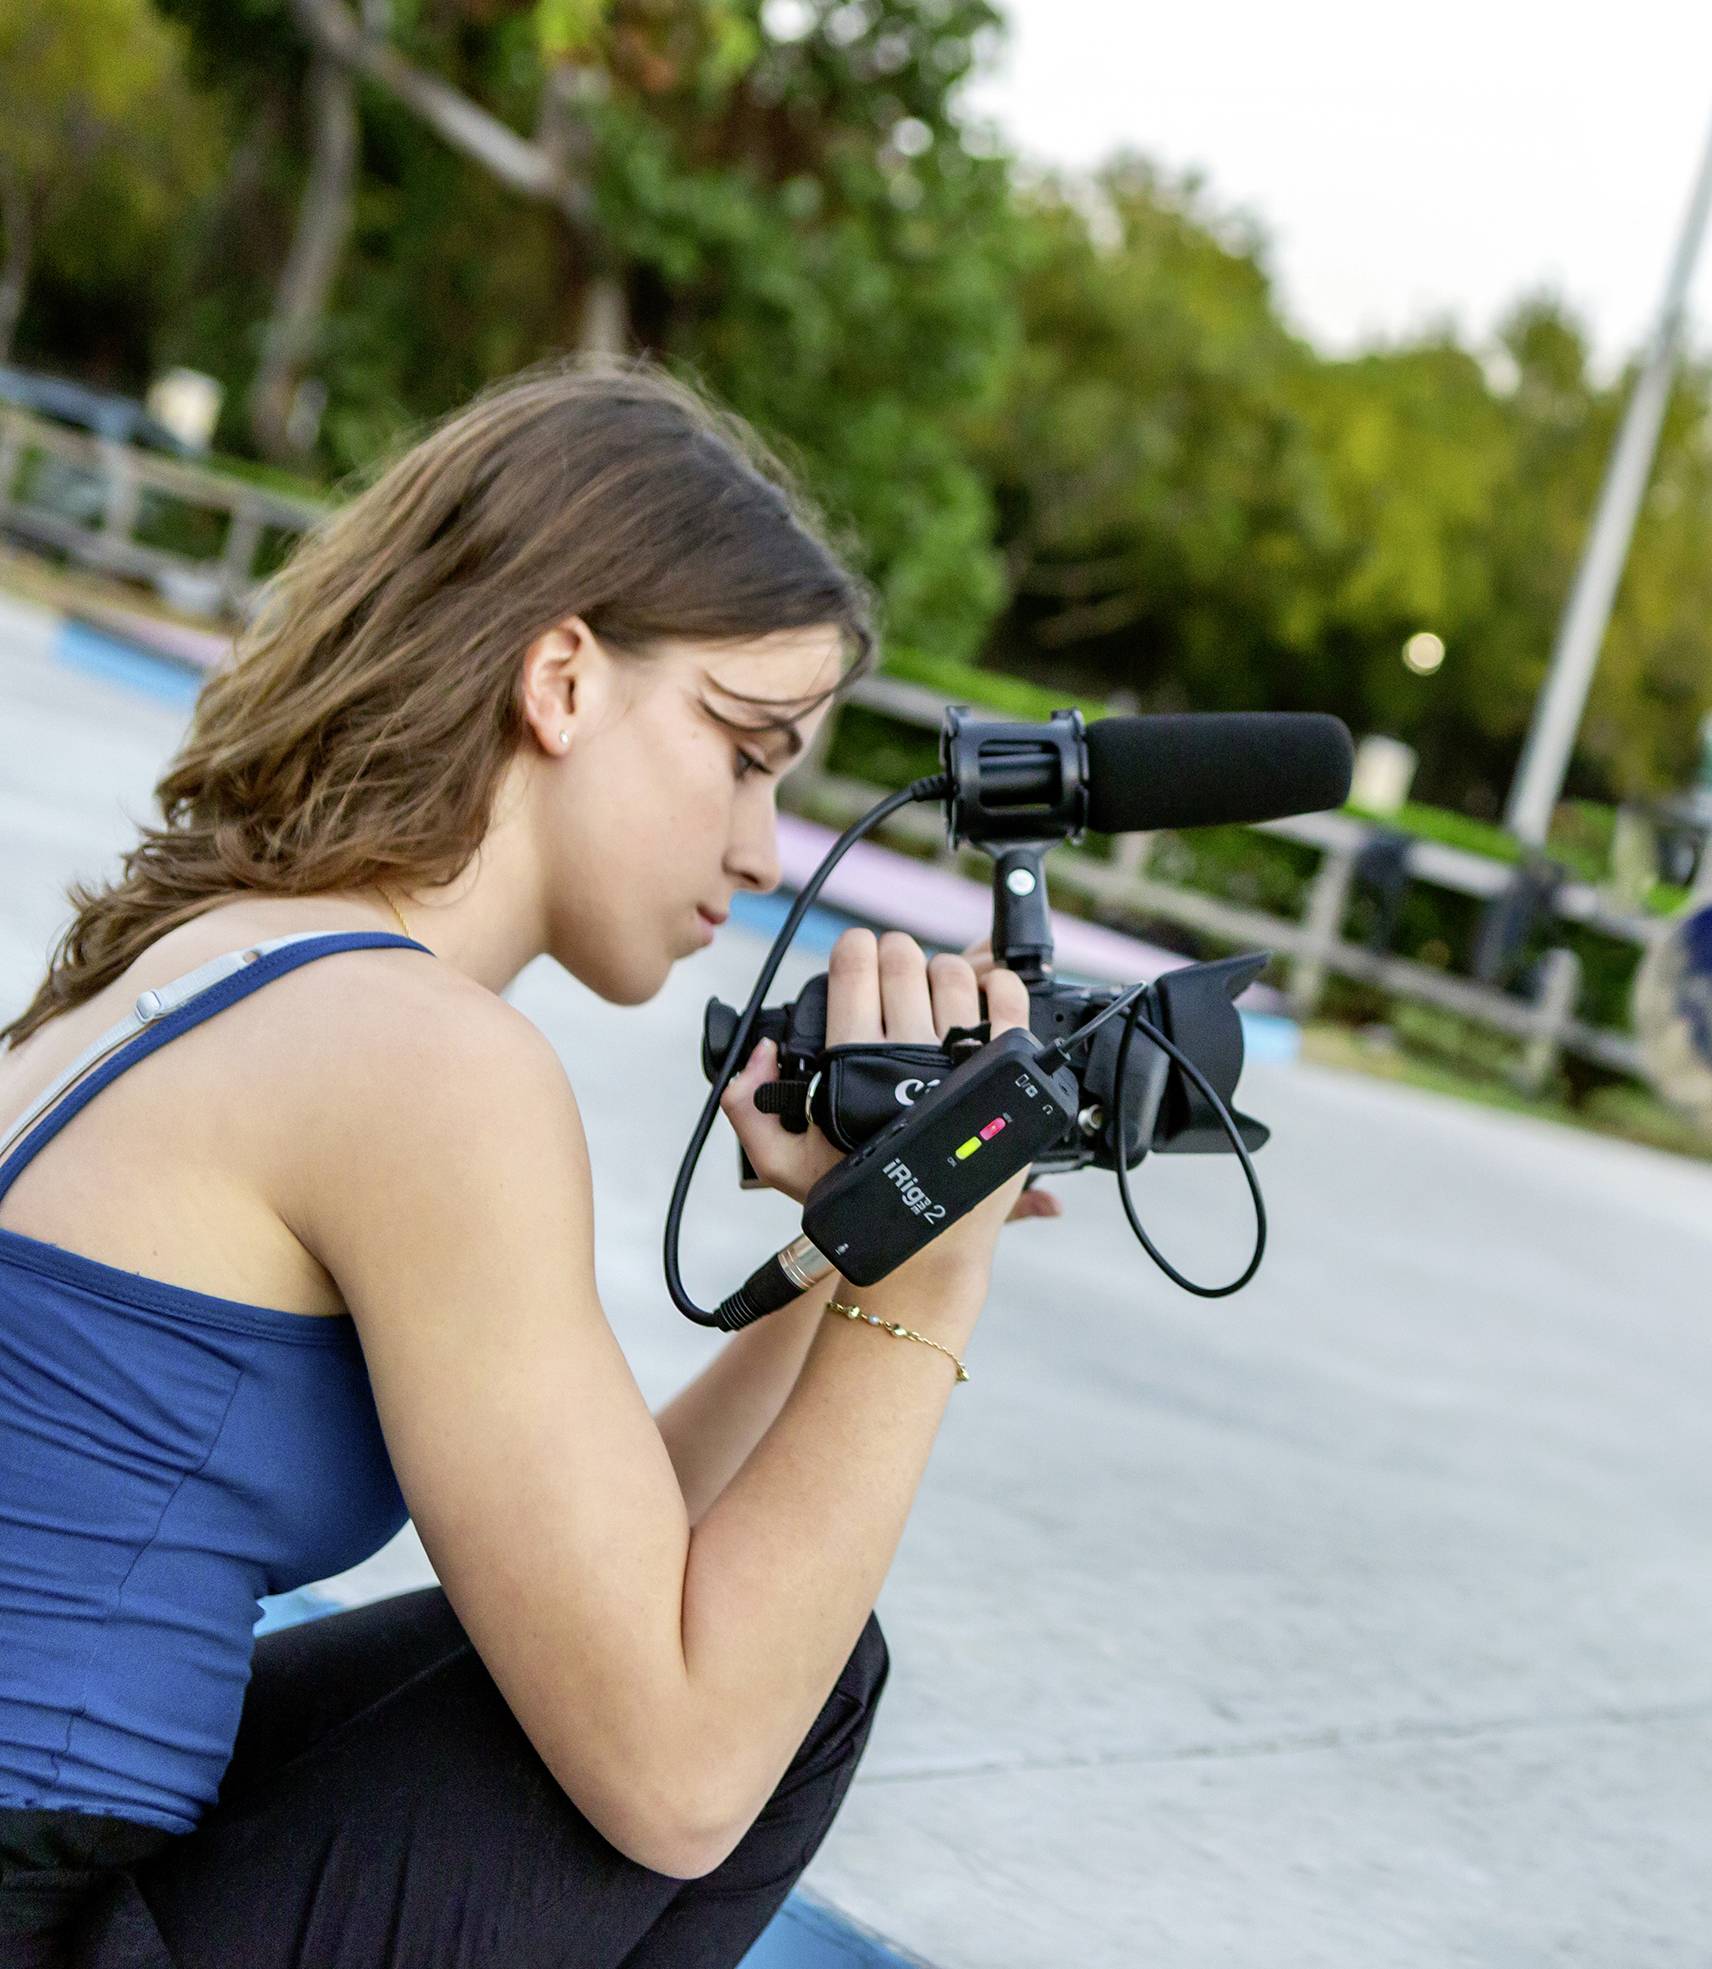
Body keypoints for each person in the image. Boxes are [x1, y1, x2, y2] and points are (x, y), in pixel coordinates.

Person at [0, 358, 1049, 1965]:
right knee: (772, 1703)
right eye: (746, 750)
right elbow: (682, 1771)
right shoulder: (427, 1064)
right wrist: (941, 1266)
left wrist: (856, 1234)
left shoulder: (222, 954)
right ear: (561, 679)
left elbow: (616, 1587)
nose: (765, 849)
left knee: (776, 1643)